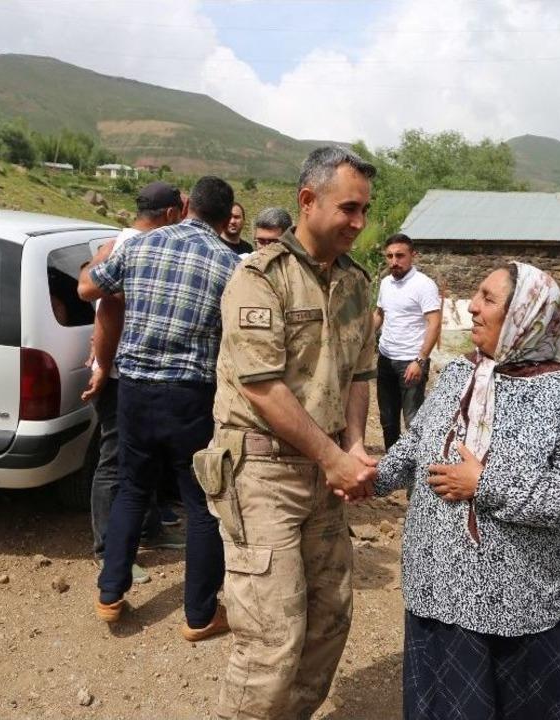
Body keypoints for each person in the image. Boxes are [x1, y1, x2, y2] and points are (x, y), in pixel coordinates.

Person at [374, 261, 560, 720]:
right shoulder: (461, 374)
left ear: (525, 315)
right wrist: (371, 477)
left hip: (516, 604)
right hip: (438, 588)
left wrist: (486, 484)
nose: (473, 308)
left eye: (488, 299)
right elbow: (419, 442)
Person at [207, 146, 378, 719]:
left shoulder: (357, 283)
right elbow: (262, 387)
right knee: (270, 640)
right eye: (349, 208)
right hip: (261, 474)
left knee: (330, 620)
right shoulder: (259, 279)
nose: (359, 223)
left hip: (322, 474)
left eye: (365, 211)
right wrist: (334, 456)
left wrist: (353, 444)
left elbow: (358, 372)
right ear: (308, 201)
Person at [78, 176, 239, 640]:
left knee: (132, 488)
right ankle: (200, 614)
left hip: (134, 390)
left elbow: (91, 288)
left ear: (187, 205)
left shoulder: (143, 246)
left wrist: (102, 256)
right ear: (227, 217)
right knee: (201, 503)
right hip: (191, 396)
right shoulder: (231, 265)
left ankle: (110, 594)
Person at [80, 181, 187, 585]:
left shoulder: (131, 242)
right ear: (172, 215)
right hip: (121, 372)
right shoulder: (129, 245)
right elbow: (99, 297)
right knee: (115, 460)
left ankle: (148, 530)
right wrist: (104, 364)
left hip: (139, 372)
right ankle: (108, 551)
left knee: (145, 457)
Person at [373, 233, 441, 449]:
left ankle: (414, 470)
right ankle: (392, 465)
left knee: (413, 420)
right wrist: (361, 339)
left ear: (413, 255)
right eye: (390, 256)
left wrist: (420, 360)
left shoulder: (424, 285)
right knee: (387, 418)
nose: (394, 261)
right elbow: (379, 314)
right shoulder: (385, 283)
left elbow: (434, 323)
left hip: (411, 361)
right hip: (386, 358)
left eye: (400, 256)